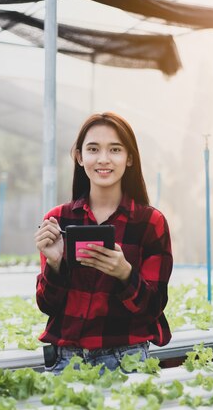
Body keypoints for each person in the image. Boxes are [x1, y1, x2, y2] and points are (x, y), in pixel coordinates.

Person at [34, 112, 173, 374]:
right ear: (79, 156)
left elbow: (153, 308)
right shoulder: (57, 219)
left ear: (129, 158)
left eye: (115, 149)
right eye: (93, 149)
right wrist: (54, 264)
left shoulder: (150, 222)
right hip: (66, 360)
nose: (103, 159)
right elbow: (47, 306)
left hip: (127, 359)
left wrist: (125, 273)